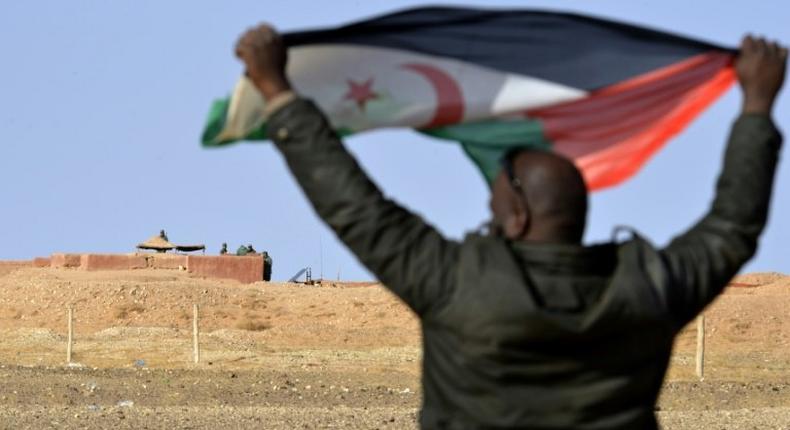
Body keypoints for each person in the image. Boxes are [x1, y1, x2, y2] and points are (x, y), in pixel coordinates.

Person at [235, 26, 786, 429]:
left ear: (517, 215)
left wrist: (280, 92)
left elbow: (354, 206)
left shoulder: (457, 284)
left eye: (493, 203)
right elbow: (733, 225)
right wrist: (757, 104)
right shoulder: (649, 287)